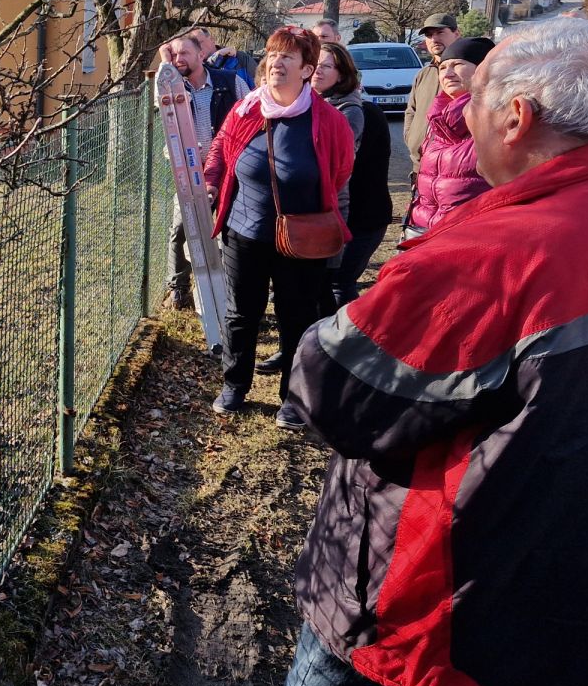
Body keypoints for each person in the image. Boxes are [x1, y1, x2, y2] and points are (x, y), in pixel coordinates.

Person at [274, 17, 588, 686]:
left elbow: (331, 392)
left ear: (517, 116)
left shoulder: (484, 254)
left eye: (474, 99)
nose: (464, 115)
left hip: (435, 586)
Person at [201, 27, 353, 430]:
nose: (276, 63)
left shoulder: (329, 121)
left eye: (287, 57)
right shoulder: (246, 109)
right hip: (243, 230)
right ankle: (235, 385)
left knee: (297, 317)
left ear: (307, 70)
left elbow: (340, 172)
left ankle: (293, 398)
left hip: (302, 238)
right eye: (272, 55)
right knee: (241, 313)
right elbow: (221, 149)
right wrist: (212, 180)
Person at [159, 31, 248, 311]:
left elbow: (249, 119)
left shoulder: (230, 82)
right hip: (189, 173)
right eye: (174, 54)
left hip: (228, 172)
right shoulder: (171, 89)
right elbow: (166, 127)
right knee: (180, 230)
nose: (178, 59)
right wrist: (165, 63)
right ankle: (179, 288)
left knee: (230, 231)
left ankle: (230, 292)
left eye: (184, 53)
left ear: (201, 55)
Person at [313, 42, 392, 308]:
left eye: (326, 66)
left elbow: (335, 165)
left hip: (362, 218)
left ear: (342, 74)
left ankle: (351, 332)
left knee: (339, 284)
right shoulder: (312, 107)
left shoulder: (359, 113)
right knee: (324, 284)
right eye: (314, 64)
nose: (317, 70)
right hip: (329, 216)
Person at [404, 37, 495, 235]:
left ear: (483, 69)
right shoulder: (436, 120)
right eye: (443, 67)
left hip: (471, 235)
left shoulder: (497, 120)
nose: (448, 73)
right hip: (424, 232)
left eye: (458, 64)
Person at [402, 12, 461, 175]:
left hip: (451, 170)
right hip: (419, 167)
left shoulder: (467, 72)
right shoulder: (423, 74)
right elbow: (411, 111)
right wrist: (411, 138)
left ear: (457, 34)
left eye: (440, 32)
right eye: (429, 35)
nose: (434, 39)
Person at [192, 24, 257, 90]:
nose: (197, 47)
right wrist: (215, 58)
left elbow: (258, 87)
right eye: (193, 45)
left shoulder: (240, 58)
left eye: (199, 43)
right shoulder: (193, 67)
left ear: (212, 39)